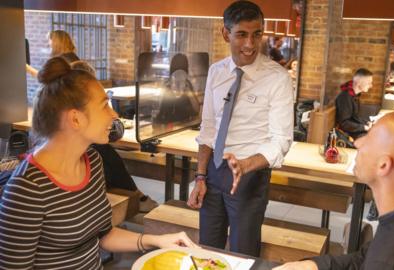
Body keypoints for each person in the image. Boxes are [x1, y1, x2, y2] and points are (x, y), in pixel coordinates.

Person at [0, 57, 197, 269]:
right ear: (75, 119)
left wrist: (157, 240)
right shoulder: (27, 188)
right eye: (104, 106)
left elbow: (104, 234)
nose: (113, 114)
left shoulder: (92, 161)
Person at [274, 111, 394, 270]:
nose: (358, 142)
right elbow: (364, 258)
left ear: (384, 165)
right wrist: (314, 265)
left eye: (368, 139)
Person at [187, 0, 293, 257]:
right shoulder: (216, 71)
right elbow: (209, 127)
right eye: (241, 34)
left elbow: (281, 140)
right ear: (226, 33)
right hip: (213, 171)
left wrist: (245, 165)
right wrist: (201, 176)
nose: (250, 44)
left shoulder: (277, 78)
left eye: (257, 34)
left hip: (250, 176)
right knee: (207, 249)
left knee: (243, 253)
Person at [70, 60, 159, 213]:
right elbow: (115, 132)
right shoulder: (86, 105)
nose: (112, 114)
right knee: (103, 151)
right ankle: (135, 196)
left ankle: (135, 196)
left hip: (85, 167)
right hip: (89, 165)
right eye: (104, 106)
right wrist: (119, 124)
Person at [335, 68, 373, 139]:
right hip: (349, 135)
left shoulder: (354, 95)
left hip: (355, 132)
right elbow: (344, 124)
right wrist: (364, 127)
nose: (371, 86)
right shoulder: (345, 97)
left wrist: (366, 123)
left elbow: (354, 117)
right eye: (369, 82)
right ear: (359, 82)